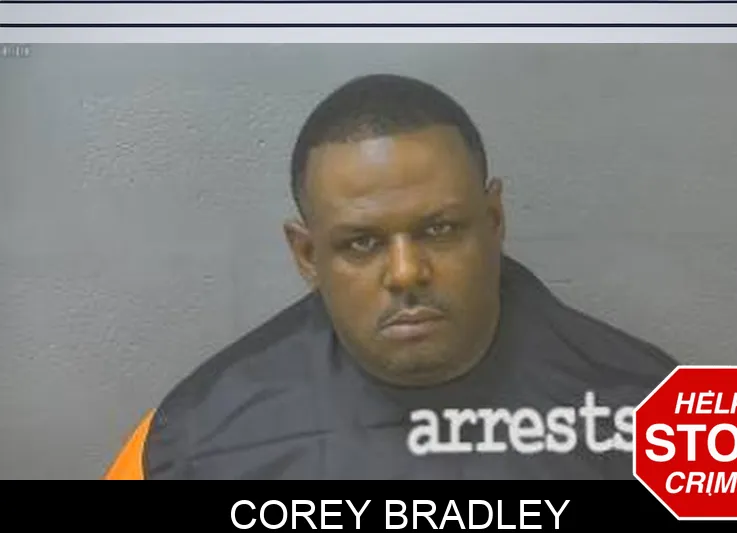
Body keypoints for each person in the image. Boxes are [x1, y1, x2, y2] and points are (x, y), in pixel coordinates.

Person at [104, 73, 678, 480]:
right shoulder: (193, 440)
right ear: (307, 255)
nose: (406, 273)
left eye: (440, 229)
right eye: (362, 243)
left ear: (494, 220)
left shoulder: (668, 417)